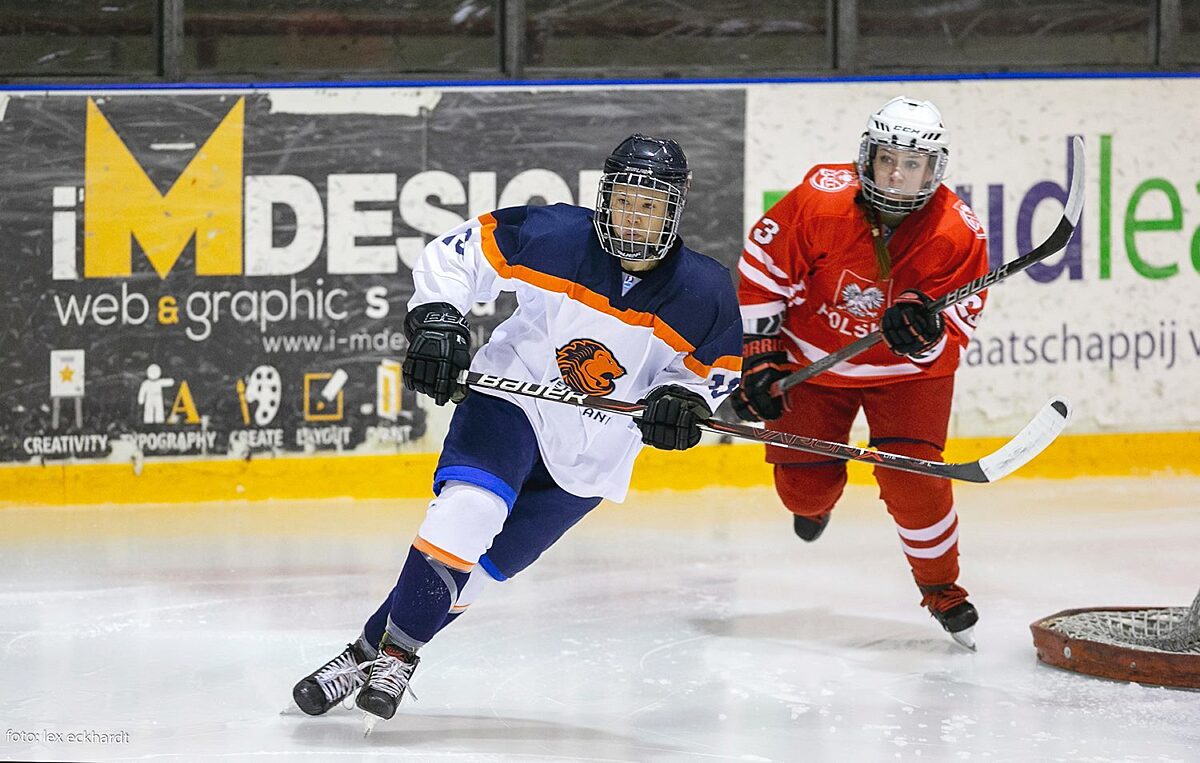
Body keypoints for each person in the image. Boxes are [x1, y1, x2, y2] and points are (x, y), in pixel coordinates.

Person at [292, 134, 742, 724]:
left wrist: (680, 401)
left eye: (651, 204)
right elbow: (458, 254)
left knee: (480, 571)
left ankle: (362, 655)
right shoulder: (555, 236)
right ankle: (399, 657)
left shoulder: (703, 290)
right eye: (626, 199)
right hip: (514, 396)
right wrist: (437, 317)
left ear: (672, 211)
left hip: (595, 451)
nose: (636, 215)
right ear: (606, 196)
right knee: (468, 511)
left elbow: (714, 373)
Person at [731, 96, 989, 648]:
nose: (897, 175)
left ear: (934, 169)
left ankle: (943, 590)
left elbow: (958, 324)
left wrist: (921, 336)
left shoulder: (958, 231)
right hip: (811, 362)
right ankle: (817, 502)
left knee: (913, 476)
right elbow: (761, 270)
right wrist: (760, 354)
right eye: (887, 159)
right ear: (866, 156)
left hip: (906, 378)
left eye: (913, 163)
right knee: (802, 492)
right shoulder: (818, 201)